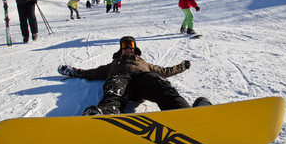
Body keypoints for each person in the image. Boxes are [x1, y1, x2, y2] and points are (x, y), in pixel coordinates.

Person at [58, 36, 211, 116]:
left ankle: (183, 115)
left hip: (142, 78)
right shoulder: (114, 64)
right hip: (122, 80)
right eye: (125, 46)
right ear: (121, 49)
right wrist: (71, 71)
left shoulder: (143, 62)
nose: (128, 49)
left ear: (135, 48)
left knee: (160, 84)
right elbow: (91, 73)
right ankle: (104, 117)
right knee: (114, 90)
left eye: (131, 46)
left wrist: (182, 66)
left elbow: (165, 71)